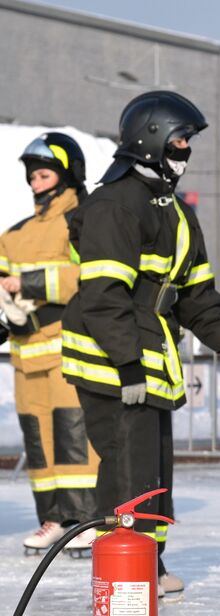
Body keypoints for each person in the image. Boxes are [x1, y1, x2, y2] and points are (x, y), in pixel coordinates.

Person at [62, 91, 220, 598]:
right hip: (112, 361)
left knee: (152, 470)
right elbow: (103, 295)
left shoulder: (173, 209)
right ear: (148, 139)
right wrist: (126, 364)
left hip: (148, 356)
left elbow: (193, 292)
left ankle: (148, 562)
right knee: (127, 468)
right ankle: (124, 572)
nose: (186, 149)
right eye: (179, 139)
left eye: (188, 141)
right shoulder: (114, 205)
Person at [0, 133, 100, 555]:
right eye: (32, 176)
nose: (35, 183)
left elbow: (91, 275)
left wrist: (30, 282)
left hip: (66, 347)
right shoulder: (14, 234)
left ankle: (88, 519)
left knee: (74, 436)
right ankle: (55, 520)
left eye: (43, 174)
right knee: (39, 442)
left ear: (67, 174)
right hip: (26, 353)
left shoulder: (84, 221)